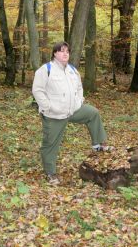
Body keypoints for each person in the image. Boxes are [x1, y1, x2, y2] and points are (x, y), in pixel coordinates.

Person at [32, 41, 111, 185]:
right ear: (55, 53)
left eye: (67, 52)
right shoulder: (46, 69)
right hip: (54, 114)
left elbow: (79, 88)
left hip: (72, 110)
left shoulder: (73, 70)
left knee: (92, 113)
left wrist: (79, 101)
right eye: (61, 51)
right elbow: (37, 90)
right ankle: (51, 173)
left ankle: (98, 144)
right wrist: (48, 106)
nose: (65, 54)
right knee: (50, 144)